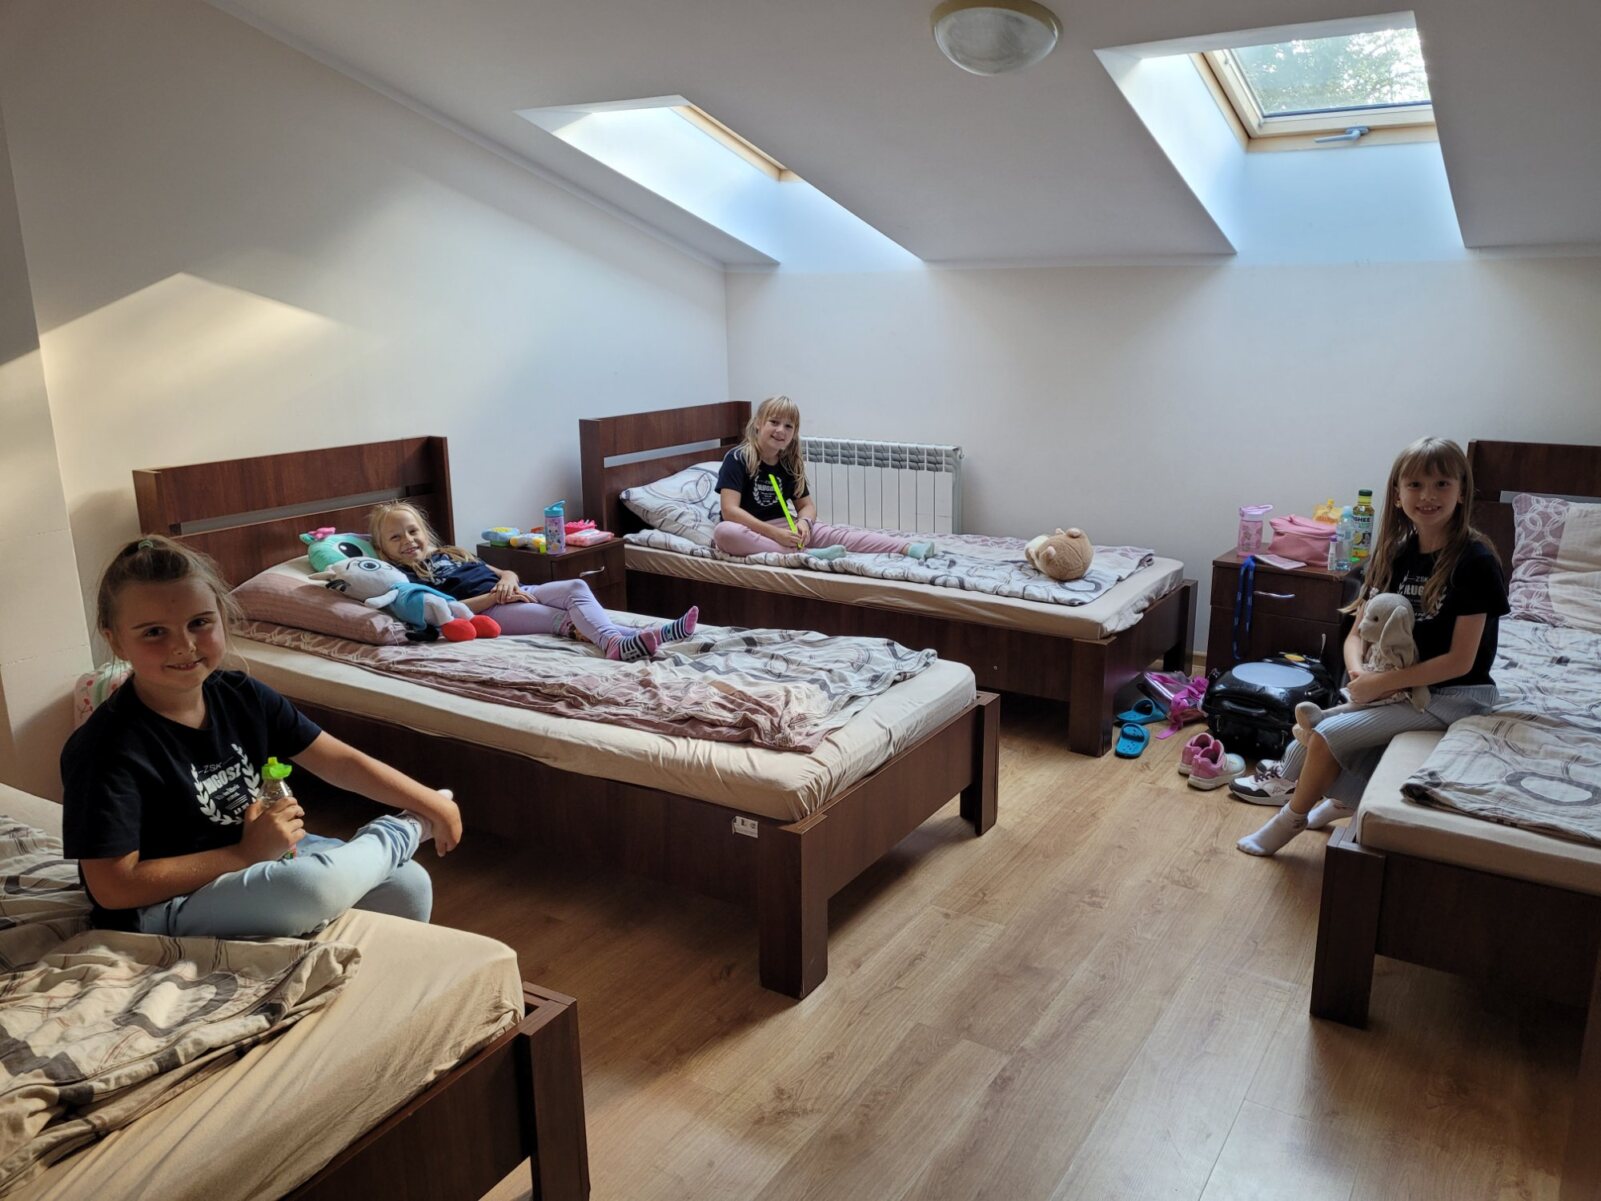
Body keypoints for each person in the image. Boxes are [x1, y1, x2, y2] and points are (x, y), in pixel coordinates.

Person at [63, 535, 461, 938]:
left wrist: (427, 801)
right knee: (310, 888)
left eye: (199, 623)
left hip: (263, 860)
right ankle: (399, 833)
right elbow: (112, 887)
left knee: (408, 883)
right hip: (166, 903)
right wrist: (244, 854)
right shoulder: (104, 748)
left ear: (222, 617)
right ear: (115, 640)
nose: (183, 645)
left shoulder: (241, 694)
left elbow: (339, 762)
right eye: (153, 632)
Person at [1235, 437, 1509, 856]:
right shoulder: (1395, 554)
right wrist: (1360, 673)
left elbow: (1460, 661)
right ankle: (1341, 801)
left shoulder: (1475, 562)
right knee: (1307, 739)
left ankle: (1289, 820)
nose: (1427, 496)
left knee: (1325, 733)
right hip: (1396, 687)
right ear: (1397, 495)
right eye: (1415, 485)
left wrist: (1381, 684)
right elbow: (1357, 634)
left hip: (1456, 695)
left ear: (1461, 492)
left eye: (1441, 484)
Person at [370, 502, 696, 661]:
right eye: (395, 537)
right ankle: (618, 644)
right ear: (382, 548)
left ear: (424, 531)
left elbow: (502, 572)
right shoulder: (407, 578)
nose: (408, 540)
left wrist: (508, 581)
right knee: (565, 618)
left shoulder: (452, 552)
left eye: (412, 531)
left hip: (515, 591)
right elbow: (448, 610)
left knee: (576, 588)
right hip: (490, 611)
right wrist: (496, 598)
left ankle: (647, 635)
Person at [713, 395, 937, 561]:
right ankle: (805, 555)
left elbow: (806, 506)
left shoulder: (789, 463)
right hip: (751, 529)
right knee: (724, 533)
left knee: (837, 534)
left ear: (794, 433)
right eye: (774, 422)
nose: (781, 430)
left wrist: (804, 523)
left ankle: (906, 547)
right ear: (758, 423)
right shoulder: (737, 458)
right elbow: (729, 511)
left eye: (788, 426)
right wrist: (775, 534)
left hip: (785, 526)